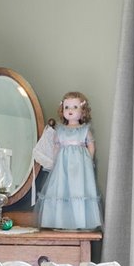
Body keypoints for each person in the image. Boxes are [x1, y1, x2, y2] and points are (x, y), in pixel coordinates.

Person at [30, 91, 101, 230]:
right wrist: (56, 162)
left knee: (78, 190)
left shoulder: (84, 130)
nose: (70, 110)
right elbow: (56, 146)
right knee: (61, 190)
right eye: (67, 107)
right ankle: (60, 222)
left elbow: (91, 146)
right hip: (62, 166)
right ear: (62, 110)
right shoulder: (60, 130)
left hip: (80, 166)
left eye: (75, 107)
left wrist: (88, 160)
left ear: (83, 111)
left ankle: (79, 222)